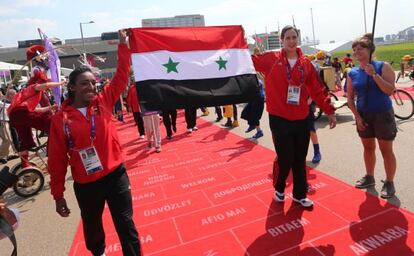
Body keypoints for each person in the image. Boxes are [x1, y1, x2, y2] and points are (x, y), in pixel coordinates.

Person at [47, 29, 141, 256]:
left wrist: (123, 45)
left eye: (93, 83)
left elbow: (121, 75)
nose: (91, 87)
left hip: (115, 175)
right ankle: (98, 252)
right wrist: (58, 195)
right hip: (86, 183)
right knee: (92, 227)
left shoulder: (104, 101)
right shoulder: (60, 119)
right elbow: (57, 160)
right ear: (72, 87)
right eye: (84, 84)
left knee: (126, 224)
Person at [252, 25, 336, 208]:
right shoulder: (271, 59)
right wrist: (239, 44)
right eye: (288, 38)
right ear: (282, 40)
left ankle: (299, 195)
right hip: (279, 117)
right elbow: (246, 61)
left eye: (294, 37)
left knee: (300, 157)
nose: (291, 41)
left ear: (298, 39)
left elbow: (318, 90)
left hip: (301, 117)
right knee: (286, 157)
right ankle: (280, 189)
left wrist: (329, 110)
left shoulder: (306, 63)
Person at [346, 33, 397, 199]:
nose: (357, 50)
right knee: (368, 148)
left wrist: (374, 75)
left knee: (385, 150)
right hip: (363, 115)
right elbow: (350, 97)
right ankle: (369, 177)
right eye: (354, 49)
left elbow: (390, 90)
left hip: (382, 114)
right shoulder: (352, 72)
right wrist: (357, 117)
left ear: (370, 50)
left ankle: (389, 182)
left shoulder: (383, 66)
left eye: (361, 47)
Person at [8, 45, 64, 169]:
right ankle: (52, 156)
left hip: (15, 117)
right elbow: (44, 86)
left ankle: (25, 166)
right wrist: (60, 83)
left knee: (25, 140)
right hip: (21, 114)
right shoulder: (34, 87)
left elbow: (33, 109)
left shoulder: (28, 94)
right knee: (53, 126)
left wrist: (50, 108)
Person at [0, 89, 17, 164]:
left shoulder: (8, 101)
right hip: (2, 121)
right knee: (7, 139)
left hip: (7, 121)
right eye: (13, 95)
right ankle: (2, 156)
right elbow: (4, 105)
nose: (14, 96)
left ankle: (7, 155)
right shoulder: (2, 101)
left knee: (9, 138)